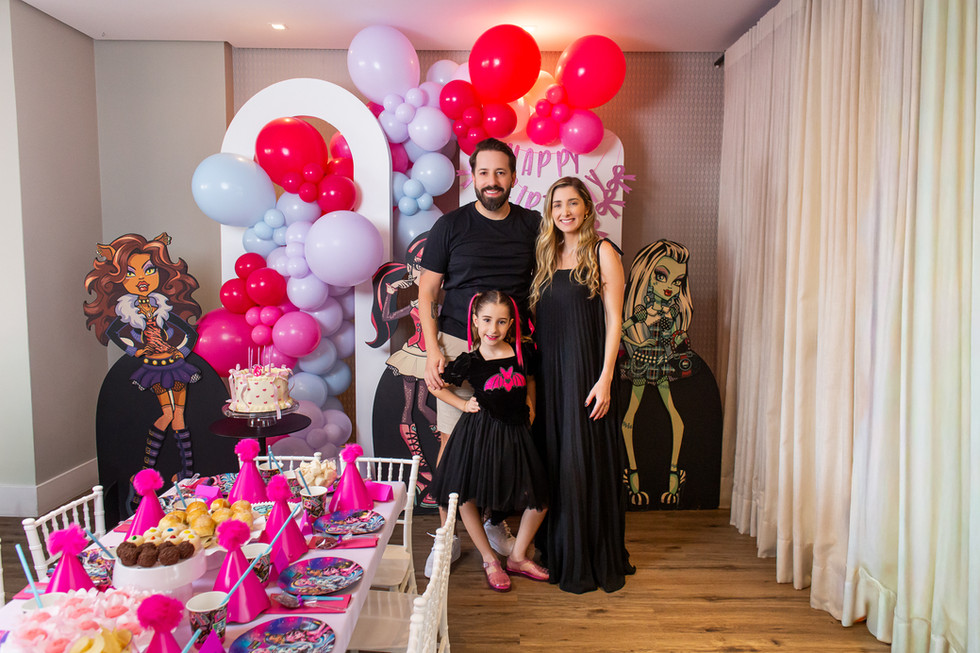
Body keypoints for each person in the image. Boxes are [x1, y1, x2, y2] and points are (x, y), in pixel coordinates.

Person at [419, 138, 540, 567]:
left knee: (510, 439)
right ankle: (446, 536)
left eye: (500, 172)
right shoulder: (450, 226)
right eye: (484, 172)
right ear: (472, 177)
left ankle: (495, 522)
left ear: (513, 177)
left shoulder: (532, 224)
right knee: (453, 444)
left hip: (513, 348)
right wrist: (432, 350)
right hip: (458, 343)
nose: (492, 181)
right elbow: (427, 293)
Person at [530, 176, 634, 593]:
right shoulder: (545, 255)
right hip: (550, 378)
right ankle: (558, 550)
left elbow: (615, 321)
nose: (565, 212)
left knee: (582, 462)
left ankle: (588, 555)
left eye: (572, 203)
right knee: (555, 462)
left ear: (587, 208)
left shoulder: (603, 251)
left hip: (588, 374)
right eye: (557, 205)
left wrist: (606, 378)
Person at [427, 290, 549, 592]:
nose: (493, 329)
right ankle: (489, 558)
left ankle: (517, 557)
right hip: (480, 433)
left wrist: (531, 406)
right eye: (487, 320)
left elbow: (530, 380)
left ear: (511, 324)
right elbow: (435, 386)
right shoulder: (471, 360)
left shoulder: (523, 353)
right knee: (464, 495)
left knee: (539, 499)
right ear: (475, 321)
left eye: (501, 322)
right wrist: (462, 404)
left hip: (516, 433)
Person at [83, 232, 202, 480]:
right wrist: (136, 350)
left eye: (149, 270)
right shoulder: (127, 310)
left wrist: (180, 351)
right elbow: (114, 331)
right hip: (154, 369)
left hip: (176, 365)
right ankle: (147, 471)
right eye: (130, 273)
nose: (141, 278)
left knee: (180, 415)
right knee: (167, 414)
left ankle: (187, 472)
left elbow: (189, 333)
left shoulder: (163, 306)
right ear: (118, 279)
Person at [620, 239, 700, 505]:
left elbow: (675, 338)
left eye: (677, 281)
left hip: (662, 362)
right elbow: (621, 330)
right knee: (630, 416)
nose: (669, 287)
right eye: (662, 276)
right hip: (642, 362)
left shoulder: (672, 311)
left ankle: (673, 477)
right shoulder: (644, 311)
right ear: (646, 277)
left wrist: (677, 340)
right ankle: (633, 478)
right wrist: (638, 342)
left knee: (675, 416)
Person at [368, 233, 439, 500]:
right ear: (411, 267)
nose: (424, 272)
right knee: (408, 411)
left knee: (423, 407)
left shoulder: (442, 304)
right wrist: (390, 293)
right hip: (413, 354)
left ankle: (441, 458)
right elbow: (387, 316)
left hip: (430, 356)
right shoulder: (415, 304)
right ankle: (423, 471)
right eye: (419, 265)